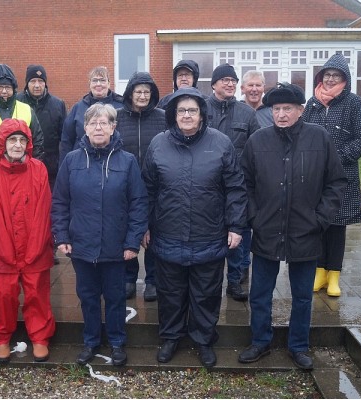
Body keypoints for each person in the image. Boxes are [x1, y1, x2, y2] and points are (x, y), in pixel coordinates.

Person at [238, 83, 346, 370]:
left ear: (300, 110)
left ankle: (298, 346)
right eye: (276, 109)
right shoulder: (258, 141)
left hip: (305, 230)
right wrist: (254, 217)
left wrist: (320, 218)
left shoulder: (318, 138)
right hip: (266, 229)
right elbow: (244, 184)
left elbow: (335, 182)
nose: (281, 115)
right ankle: (260, 341)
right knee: (260, 293)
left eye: (287, 109)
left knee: (302, 295)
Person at [142, 87, 247, 368]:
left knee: (206, 293)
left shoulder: (221, 144)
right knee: (170, 293)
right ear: (173, 115)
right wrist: (144, 226)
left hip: (209, 235)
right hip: (168, 234)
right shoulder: (158, 145)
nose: (186, 115)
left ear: (202, 115)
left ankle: (203, 340)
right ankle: (171, 337)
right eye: (181, 111)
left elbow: (236, 187)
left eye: (192, 110)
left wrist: (236, 225)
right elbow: (147, 190)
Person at [52, 103, 148, 367]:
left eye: (103, 122)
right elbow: (60, 201)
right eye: (93, 123)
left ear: (113, 127)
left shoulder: (127, 161)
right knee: (88, 297)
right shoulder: (72, 160)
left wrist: (132, 242)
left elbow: (138, 204)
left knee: (116, 298)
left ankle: (117, 342)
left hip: (115, 247)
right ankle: (91, 341)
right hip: (82, 245)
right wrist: (61, 236)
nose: (98, 127)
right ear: (85, 127)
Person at [0, 118, 56, 364]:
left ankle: (40, 337)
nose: (18, 145)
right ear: (3, 142)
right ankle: (1, 337)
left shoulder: (39, 169)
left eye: (23, 140)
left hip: (35, 247)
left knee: (37, 293)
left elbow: (44, 210)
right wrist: (4, 250)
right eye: (13, 140)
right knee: (2, 294)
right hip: (2, 249)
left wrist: (36, 246)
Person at [302, 53, 361, 297]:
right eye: (327, 75)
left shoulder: (354, 103)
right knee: (319, 224)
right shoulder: (312, 103)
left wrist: (339, 156)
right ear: (321, 77)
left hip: (342, 176)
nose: (331, 79)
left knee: (337, 225)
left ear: (345, 78)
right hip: (315, 178)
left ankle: (334, 275)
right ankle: (319, 271)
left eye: (336, 75)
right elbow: (302, 134)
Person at [206, 63, 259, 302]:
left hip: (239, 187)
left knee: (239, 235)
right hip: (207, 185)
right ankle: (210, 281)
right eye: (225, 79)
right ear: (214, 84)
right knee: (211, 235)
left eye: (233, 80)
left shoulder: (247, 113)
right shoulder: (202, 109)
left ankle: (235, 281)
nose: (230, 84)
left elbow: (257, 150)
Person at [116, 71, 166, 302]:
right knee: (127, 232)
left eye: (147, 92)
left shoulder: (163, 117)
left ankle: (153, 281)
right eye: (139, 91)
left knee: (153, 234)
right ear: (130, 93)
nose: (143, 96)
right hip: (123, 185)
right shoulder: (117, 117)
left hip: (155, 185)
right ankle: (127, 278)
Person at [17, 64, 67, 265]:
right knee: (26, 211)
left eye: (40, 81)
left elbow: (64, 136)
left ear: (45, 83)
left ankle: (50, 248)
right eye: (33, 81)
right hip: (24, 168)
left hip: (51, 168)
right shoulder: (18, 103)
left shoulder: (57, 104)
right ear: (27, 83)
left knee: (49, 210)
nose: (37, 85)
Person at [59, 66, 123, 163]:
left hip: (114, 161)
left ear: (109, 83)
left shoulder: (121, 106)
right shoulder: (78, 108)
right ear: (89, 84)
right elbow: (66, 140)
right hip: (82, 162)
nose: (98, 84)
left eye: (102, 80)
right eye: (94, 80)